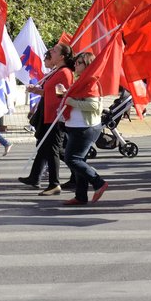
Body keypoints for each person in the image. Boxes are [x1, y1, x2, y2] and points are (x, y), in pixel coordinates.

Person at [20, 43, 74, 195]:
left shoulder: (65, 72)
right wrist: (36, 90)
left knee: (54, 150)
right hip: (48, 115)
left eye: (55, 50)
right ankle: (40, 178)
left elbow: (63, 95)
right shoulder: (57, 71)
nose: (51, 51)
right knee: (48, 149)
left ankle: (55, 183)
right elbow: (50, 93)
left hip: (56, 116)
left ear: (62, 56)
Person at [59, 52, 109, 206]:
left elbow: (94, 106)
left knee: (72, 159)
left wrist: (71, 101)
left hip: (85, 128)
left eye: (79, 63)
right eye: (76, 62)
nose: (75, 65)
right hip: (76, 126)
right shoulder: (81, 81)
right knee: (79, 161)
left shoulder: (91, 83)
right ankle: (81, 196)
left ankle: (98, 182)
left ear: (88, 65)